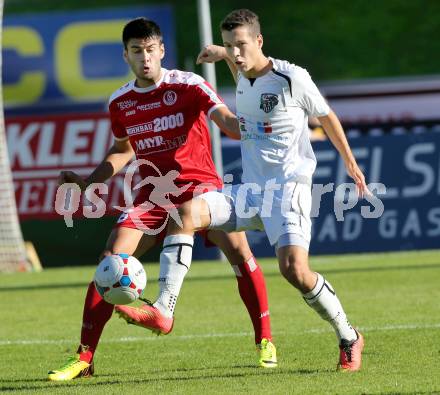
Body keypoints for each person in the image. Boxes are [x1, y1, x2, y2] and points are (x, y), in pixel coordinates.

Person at [120, 9, 368, 372]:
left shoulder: (291, 77)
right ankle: (163, 308)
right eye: (229, 46)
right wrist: (221, 55)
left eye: (241, 45)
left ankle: (349, 336)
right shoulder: (243, 76)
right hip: (251, 192)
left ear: (259, 41)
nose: (236, 53)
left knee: (295, 270)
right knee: (186, 212)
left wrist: (350, 162)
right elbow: (241, 74)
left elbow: (326, 116)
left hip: (288, 193)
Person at [48, 17, 277, 381]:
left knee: (239, 254)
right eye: (137, 51)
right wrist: (90, 182)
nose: (145, 58)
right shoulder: (121, 101)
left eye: (151, 50)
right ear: (126, 55)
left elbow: (227, 122)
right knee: (110, 262)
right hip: (152, 196)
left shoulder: (189, 85)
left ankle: (265, 339)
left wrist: (258, 126)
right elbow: (123, 150)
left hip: (201, 188)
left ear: (161, 51)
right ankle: (84, 359)